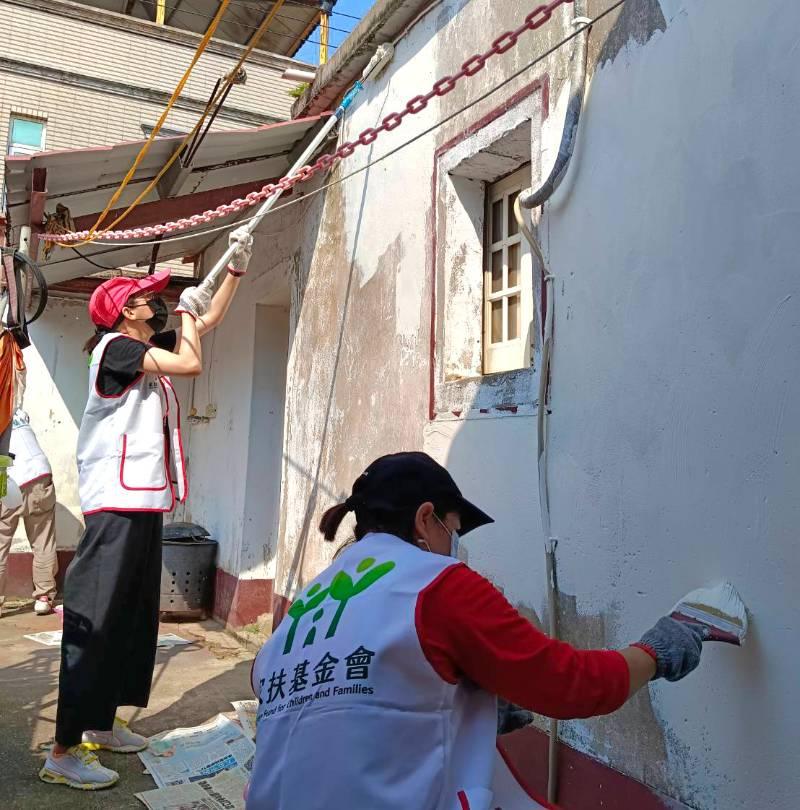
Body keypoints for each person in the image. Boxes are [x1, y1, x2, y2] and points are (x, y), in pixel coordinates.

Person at [247, 452, 707, 810]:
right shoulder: (439, 586)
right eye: (455, 529)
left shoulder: (309, 599)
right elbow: (569, 684)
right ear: (425, 519)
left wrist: (459, 708)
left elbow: (315, 701)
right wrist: (658, 650)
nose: (456, 545)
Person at [39, 227, 253, 791]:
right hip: (115, 503)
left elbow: (199, 327)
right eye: (144, 298)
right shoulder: (117, 349)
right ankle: (62, 751)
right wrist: (186, 313)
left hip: (143, 501)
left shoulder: (138, 348)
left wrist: (232, 270)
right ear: (123, 313)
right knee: (98, 619)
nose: (153, 301)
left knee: (134, 616)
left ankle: (104, 725)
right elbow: (192, 361)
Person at [0, 408, 58, 617]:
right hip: (40, 475)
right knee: (42, 540)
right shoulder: (16, 411)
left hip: (10, 479)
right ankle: (43, 598)